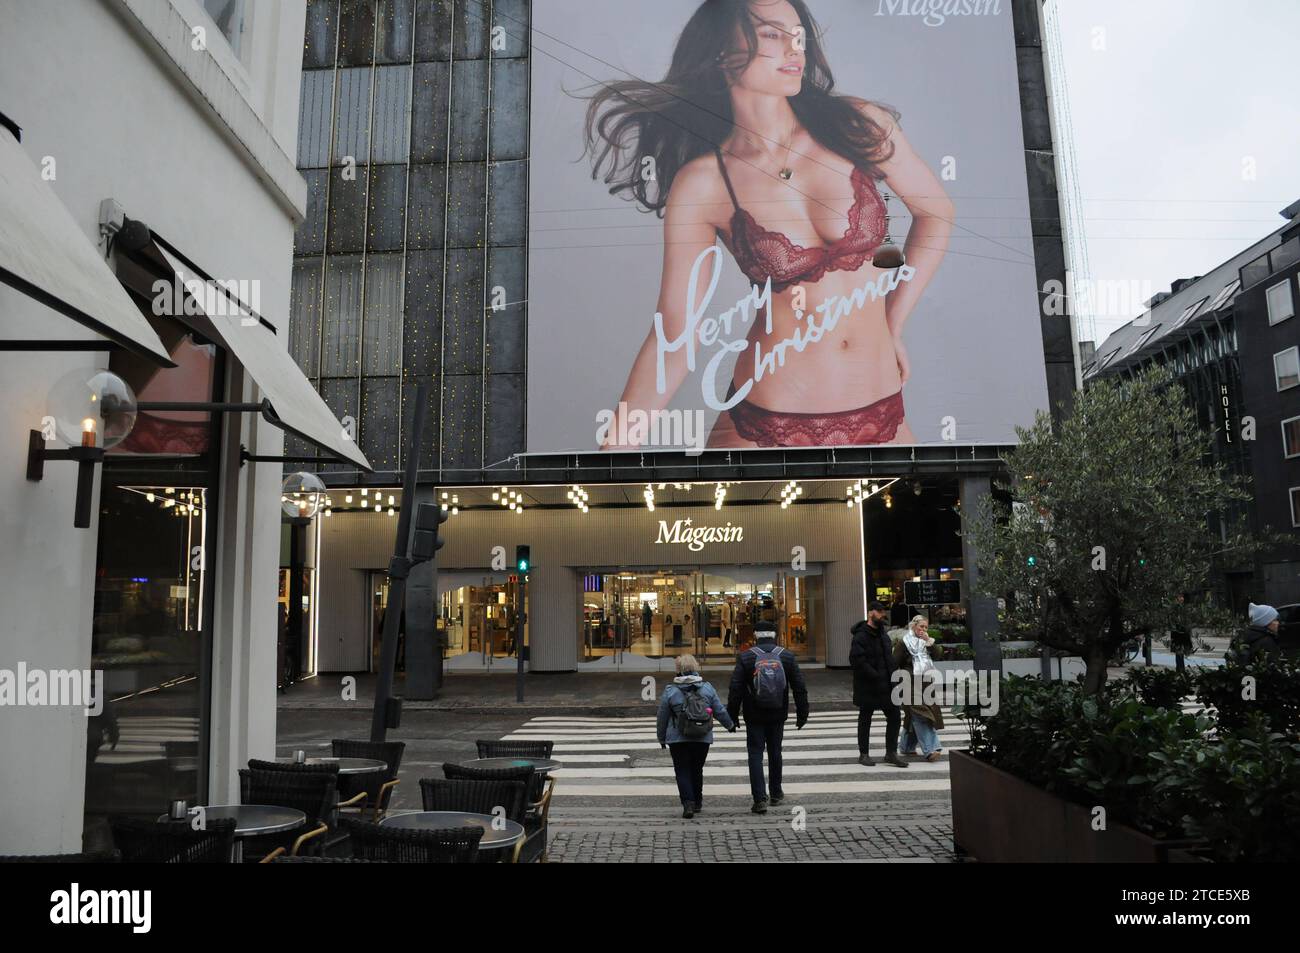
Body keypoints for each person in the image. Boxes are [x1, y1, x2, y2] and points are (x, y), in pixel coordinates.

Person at [589, 0, 952, 450]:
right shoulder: (704, 184)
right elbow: (675, 337)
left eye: (798, 35)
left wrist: (893, 324)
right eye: (772, 35)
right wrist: (611, 454)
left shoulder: (858, 126)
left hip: (883, 415)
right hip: (766, 428)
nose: (794, 48)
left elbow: (936, 213)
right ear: (722, 53)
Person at [727, 620, 809, 813]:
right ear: (775, 635)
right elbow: (799, 687)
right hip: (778, 713)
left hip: (753, 714)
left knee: (755, 754)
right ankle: (776, 792)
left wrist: (732, 715)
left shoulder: (746, 657)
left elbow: (735, 688)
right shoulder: (787, 656)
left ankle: (759, 799)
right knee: (775, 752)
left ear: (755, 635)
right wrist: (802, 713)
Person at [657, 654, 735, 818]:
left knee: (682, 769)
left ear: (678, 670)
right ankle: (698, 801)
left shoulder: (671, 691)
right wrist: (730, 725)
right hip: (702, 736)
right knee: (696, 769)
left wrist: (661, 737)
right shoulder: (707, 688)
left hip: (677, 738)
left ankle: (688, 803)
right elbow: (719, 710)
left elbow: (662, 716)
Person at [849, 601, 908, 768]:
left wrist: (894, 675)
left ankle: (891, 753)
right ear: (870, 613)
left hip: (888, 684)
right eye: (879, 611)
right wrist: (874, 675)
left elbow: (889, 658)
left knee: (895, 717)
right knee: (865, 719)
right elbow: (857, 661)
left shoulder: (883, 634)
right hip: (868, 685)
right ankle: (864, 754)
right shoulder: (861, 635)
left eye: (884, 611)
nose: (883, 614)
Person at [896, 615, 944, 762]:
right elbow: (894, 661)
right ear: (913, 626)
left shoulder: (926, 642)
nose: (923, 629)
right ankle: (931, 749)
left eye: (925, 627)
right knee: (921, 713)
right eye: (921, 626)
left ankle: (906, 747)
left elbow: (937, 655)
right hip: (908, 682)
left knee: (912, 716)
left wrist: (929, 642)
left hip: (925, 682)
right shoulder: (904, 642)